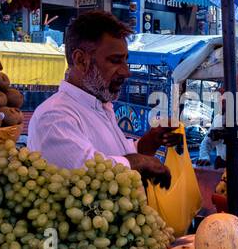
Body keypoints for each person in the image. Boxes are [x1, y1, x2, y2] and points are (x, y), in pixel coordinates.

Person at [26, 11, 172, 184]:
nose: (126, 72)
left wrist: (148, 143)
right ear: (81, 60)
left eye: (125, 61)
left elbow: (116, 157)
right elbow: (90, 172)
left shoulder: (100, 106)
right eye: (115, 61)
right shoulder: (54, 117)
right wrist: (138, 162)